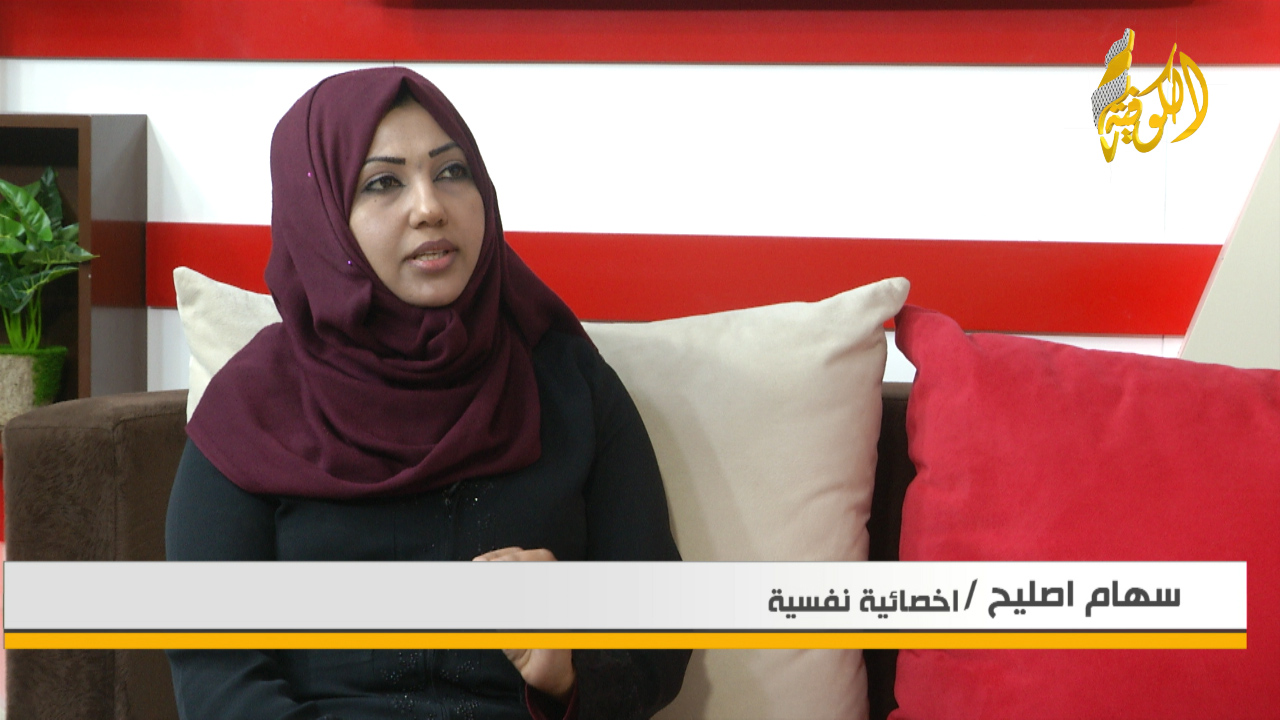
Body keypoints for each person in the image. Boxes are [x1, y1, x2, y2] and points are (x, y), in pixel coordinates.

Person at [165, 66, 690, 720]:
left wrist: (569, 666)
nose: (430, 206)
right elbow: (217, 679)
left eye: (452, 172)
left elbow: (659, 641)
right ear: (321, 217)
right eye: (383, 183)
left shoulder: (566, 384)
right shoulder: (252, 412)